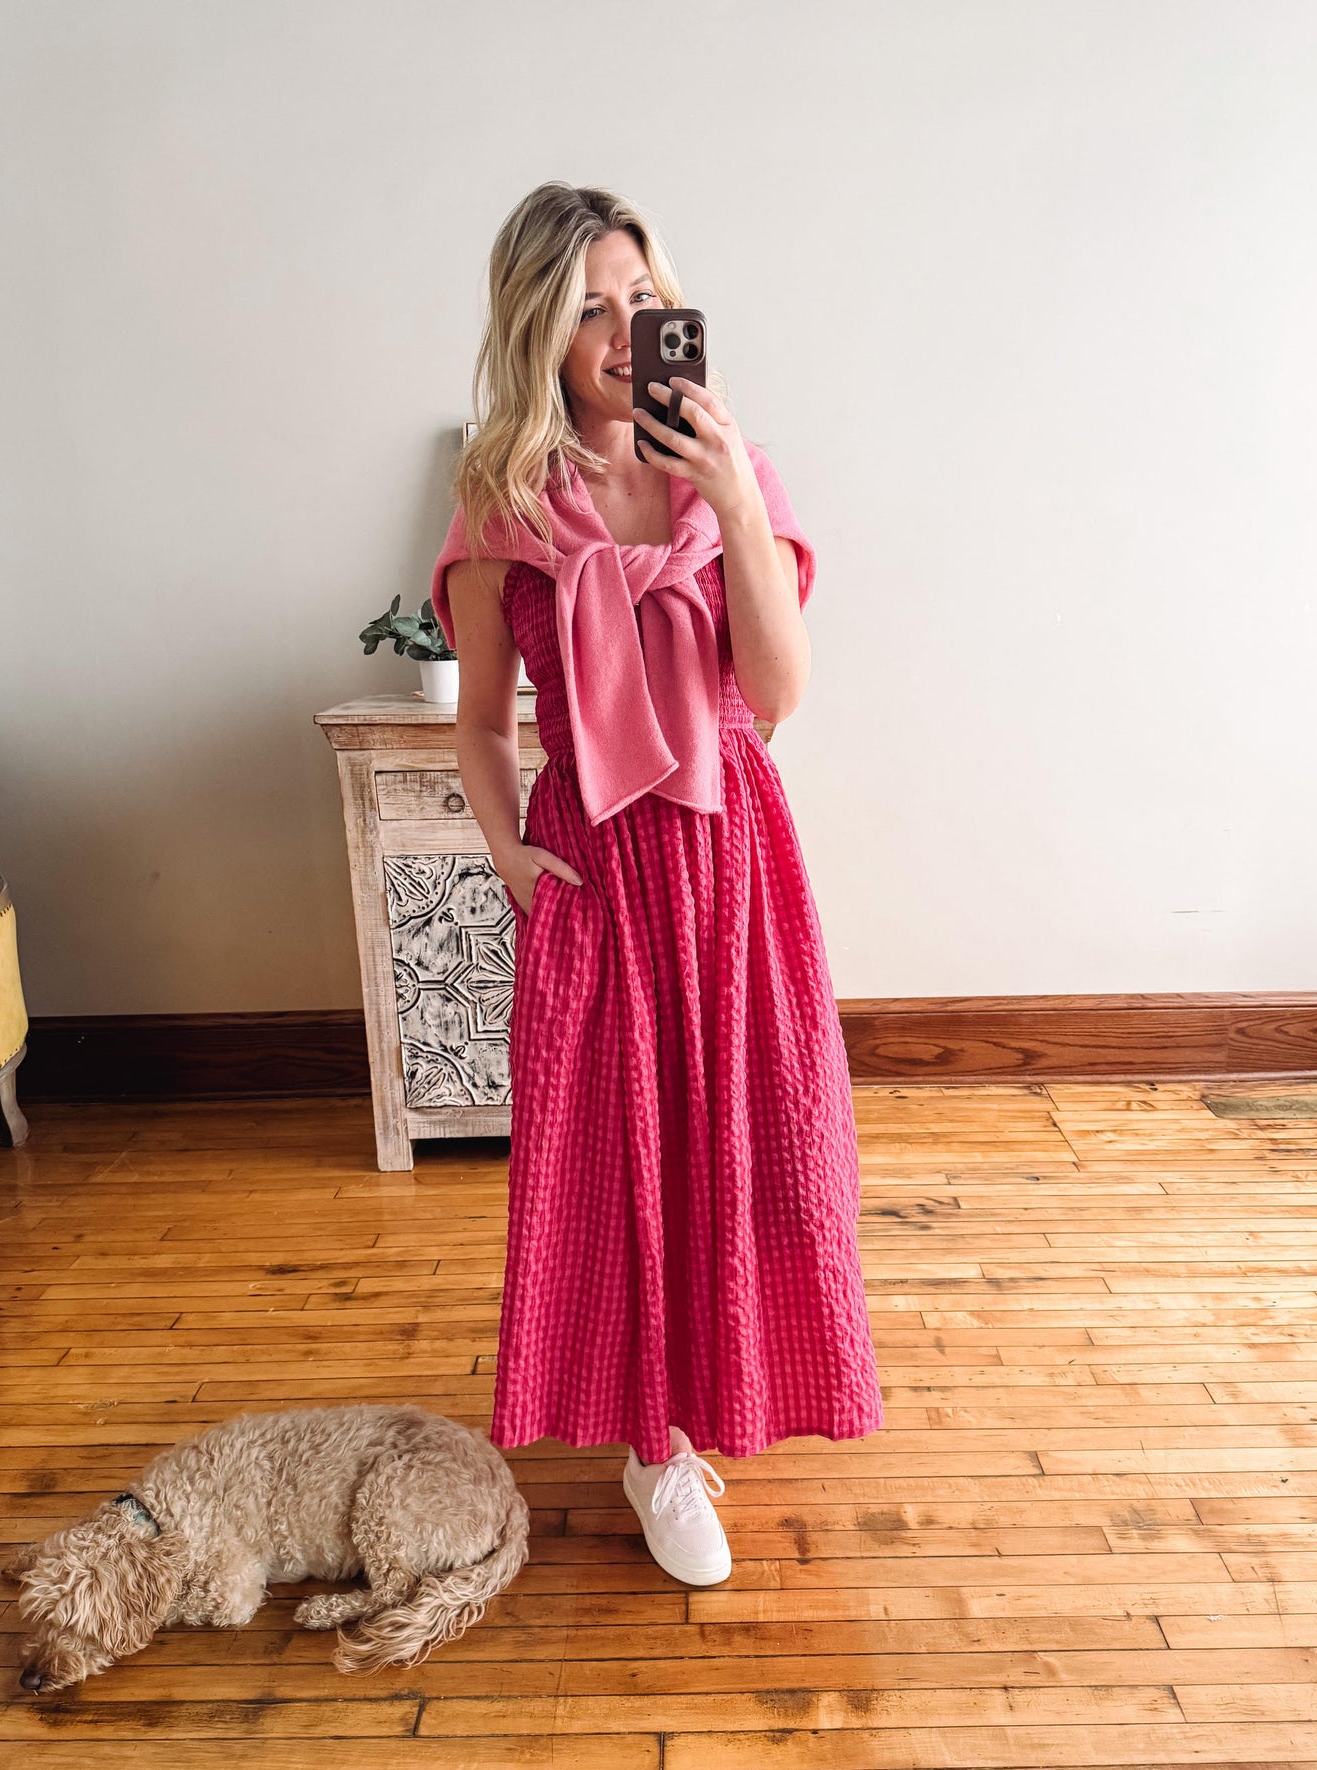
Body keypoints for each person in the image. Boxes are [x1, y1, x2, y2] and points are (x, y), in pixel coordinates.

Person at [431, 181, 882, 1587]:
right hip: (600, 868)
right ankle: (652, 1444)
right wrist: (510, 855)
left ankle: (723, 1395)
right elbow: (476, 716)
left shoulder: (725, 470)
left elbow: (777, 691)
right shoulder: (502, 505)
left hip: (732, 850)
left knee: (756, 1143)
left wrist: (734, 501)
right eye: (587, 309)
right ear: (538, 331)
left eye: (640, 299)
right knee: (615, 1154)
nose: (624, 332)